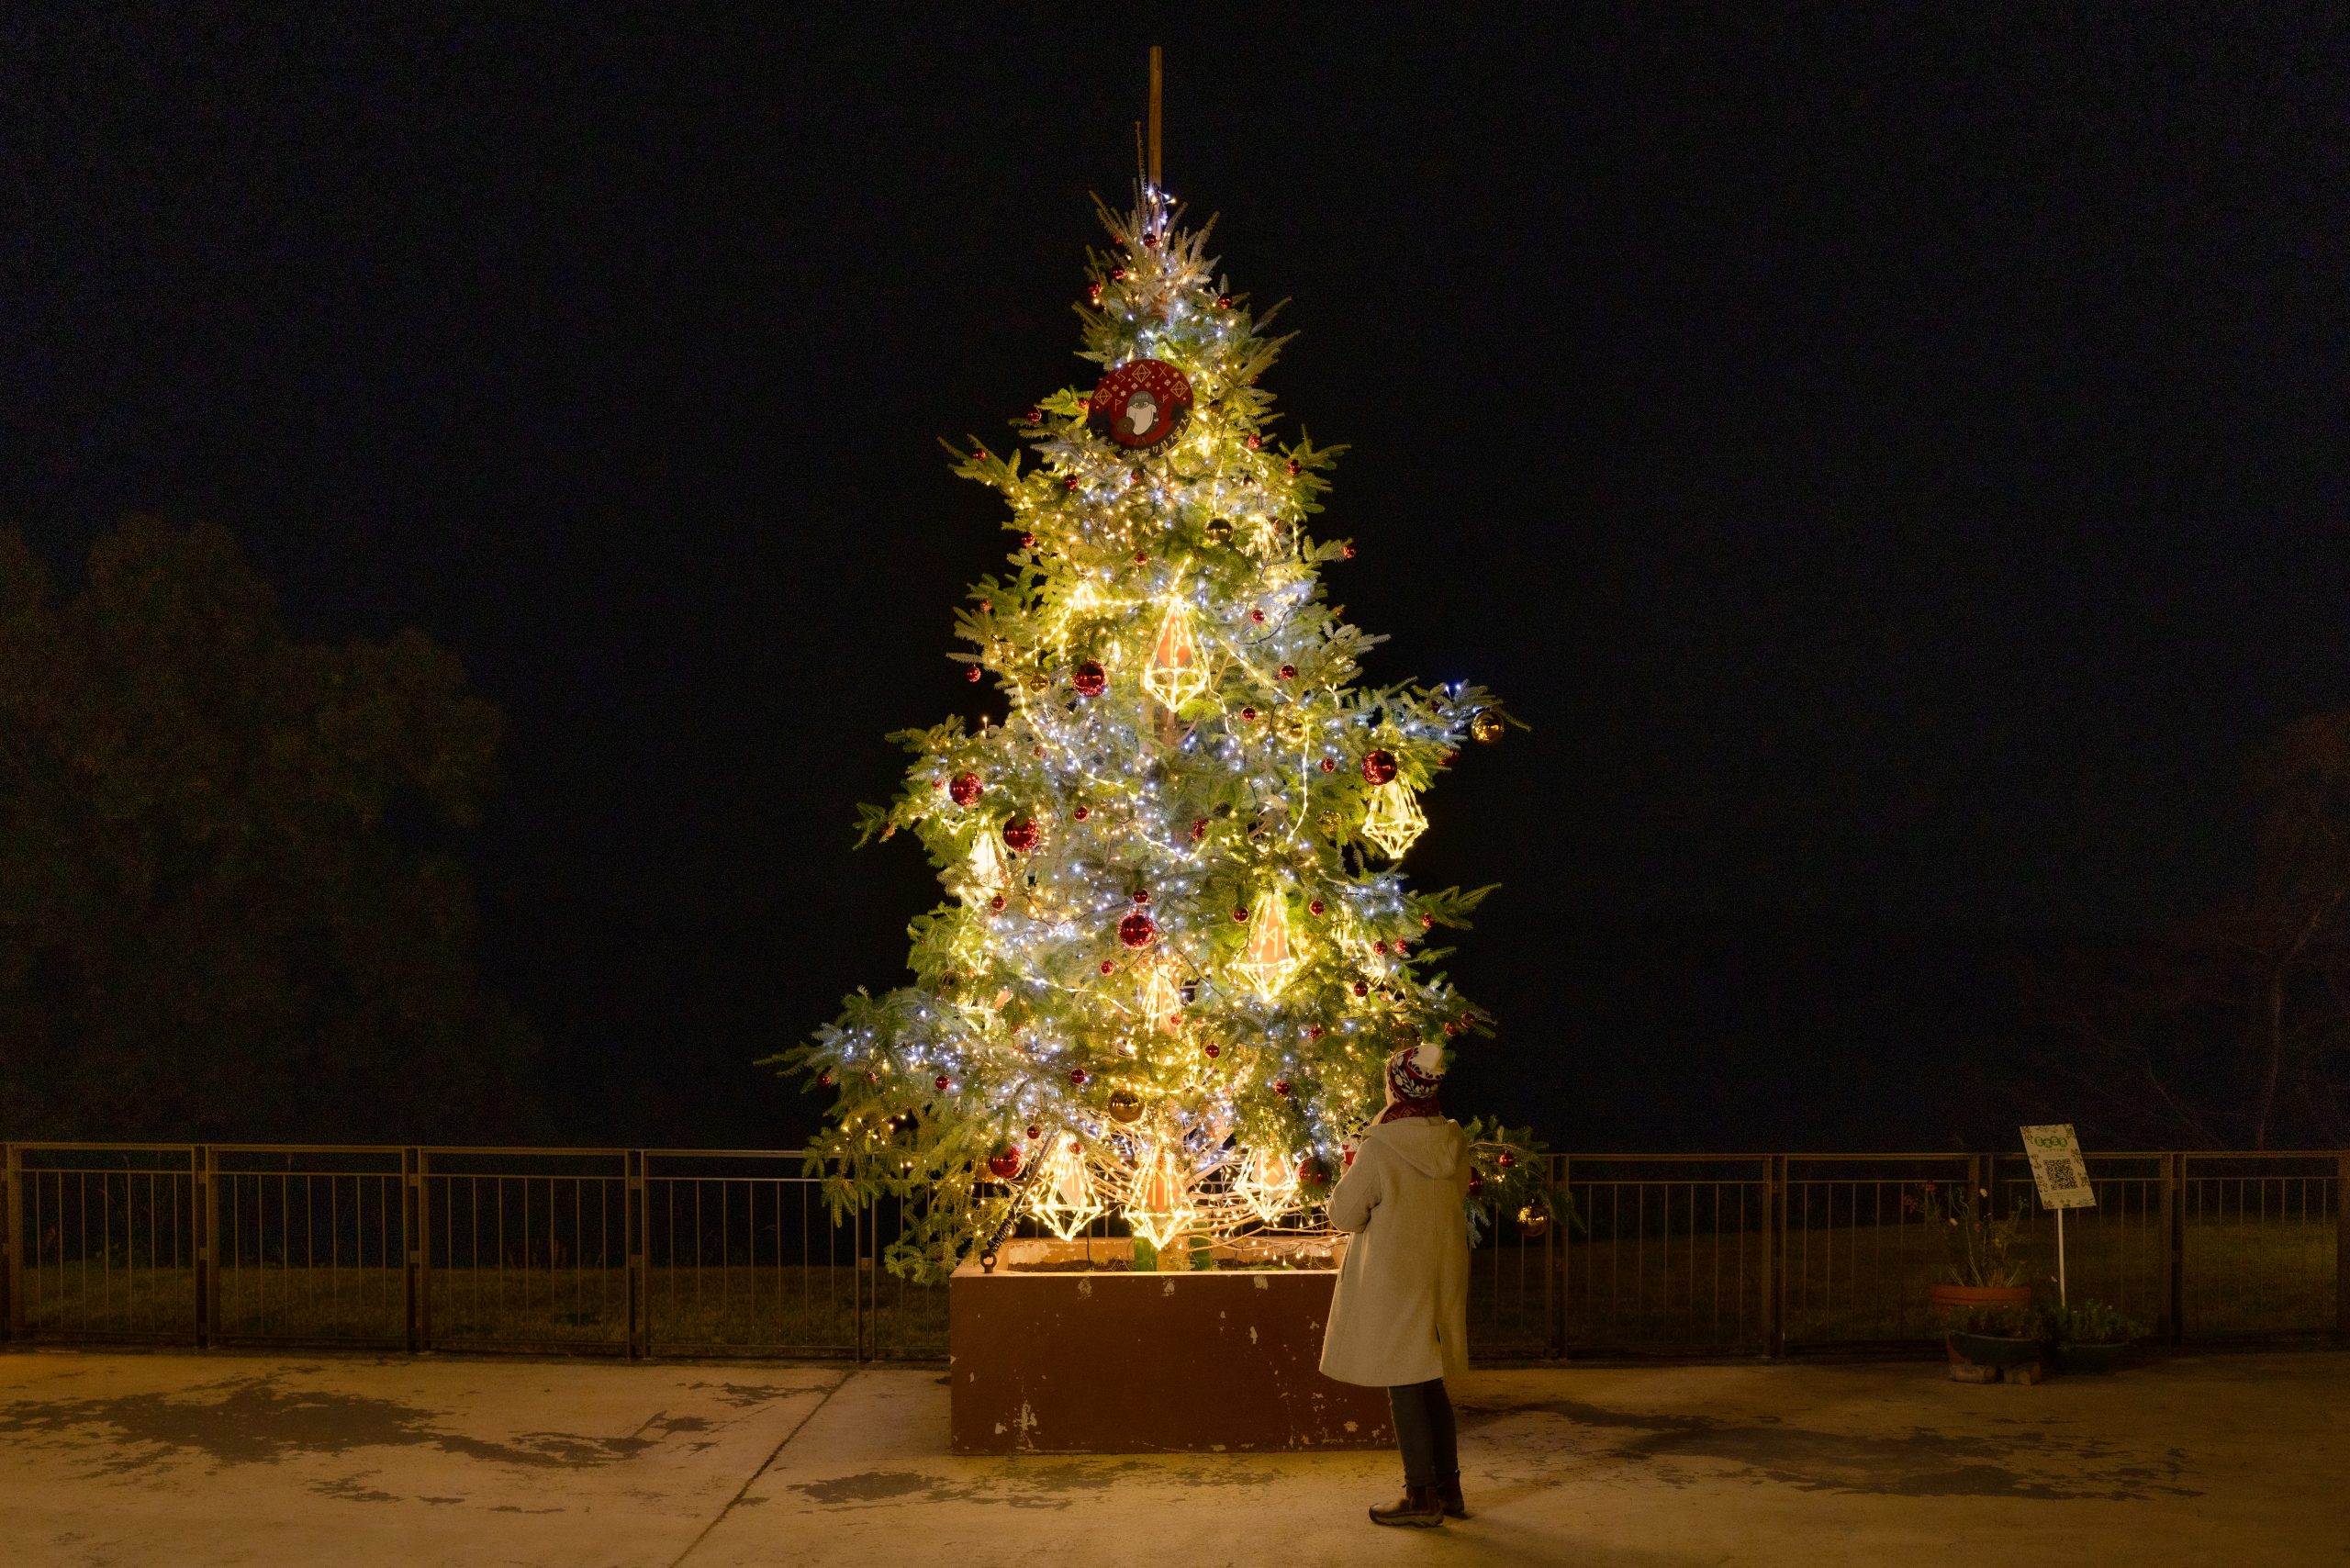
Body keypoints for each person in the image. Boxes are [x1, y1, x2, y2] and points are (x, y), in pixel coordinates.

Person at [1318, 1041, 1473, 1528]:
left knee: (1404, 1382)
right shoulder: (1453, 1140)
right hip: (1441, 1271)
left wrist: (1349, 1173)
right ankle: (1448, 1489)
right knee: (1429, 1380)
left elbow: (1345, 1214)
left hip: (1395, 1275)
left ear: (1396, 1086)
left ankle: (1420, 1496)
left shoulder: (1381, 1147)